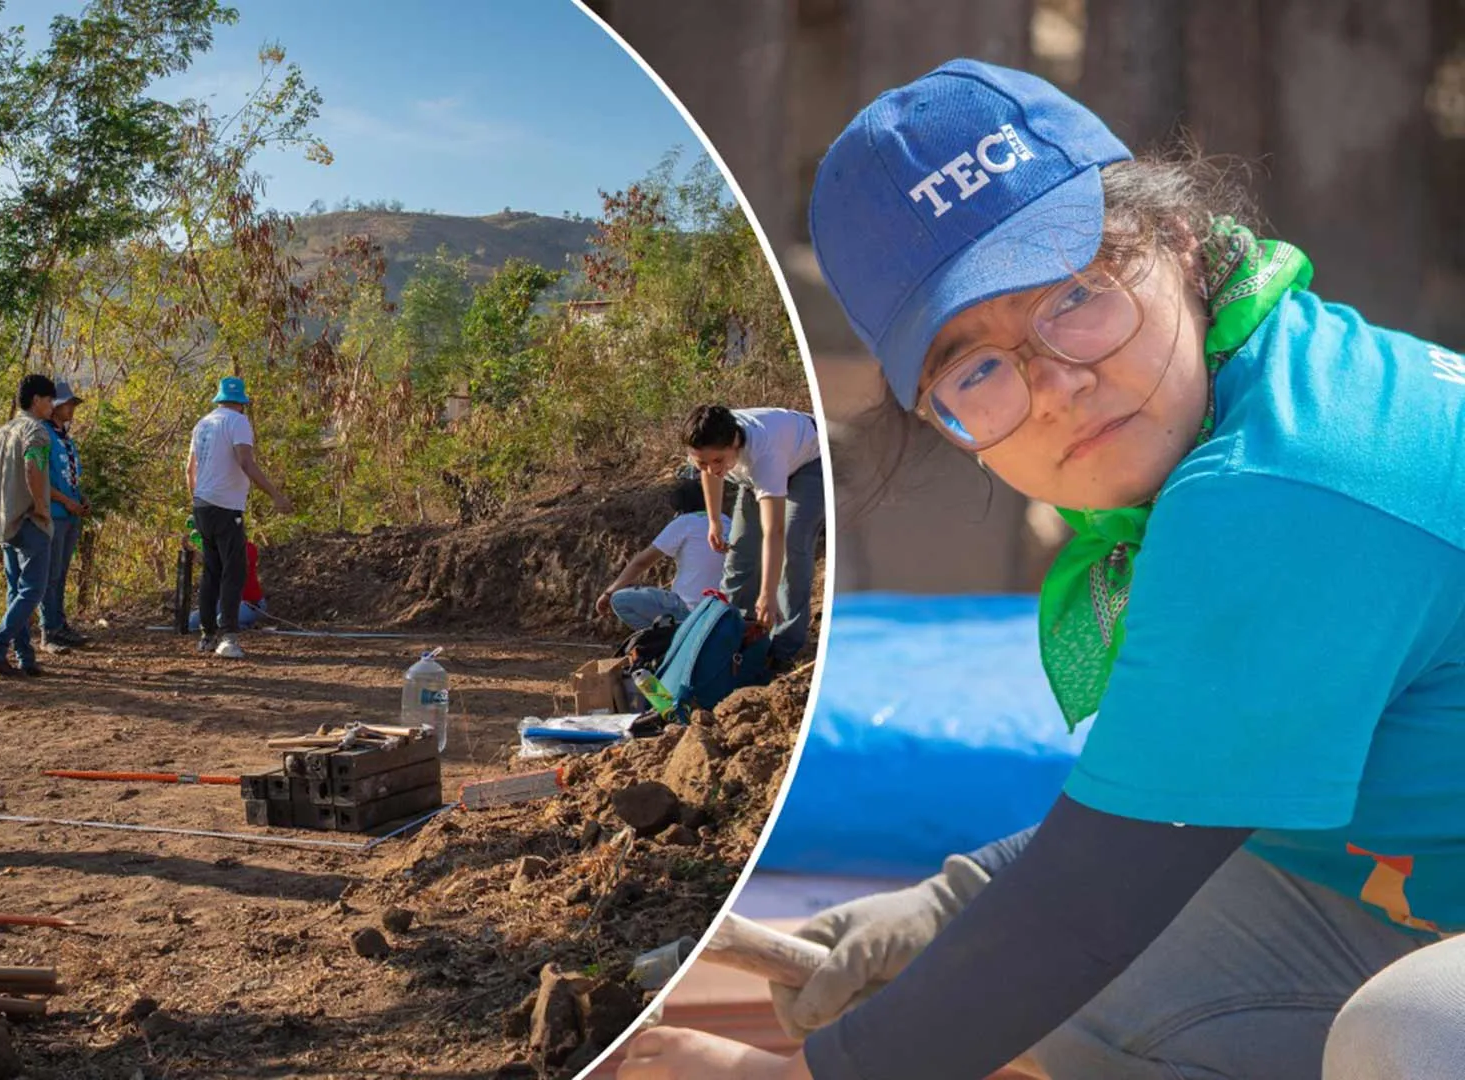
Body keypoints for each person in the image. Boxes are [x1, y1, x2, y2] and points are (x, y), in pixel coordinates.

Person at [620, 59, 1465, 1080]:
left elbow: (1094, 901)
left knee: (1413, 1036)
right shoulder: (1267, 377)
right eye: (976, 369)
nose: (1059, 384)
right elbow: (1168, 812)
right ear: (940, 425)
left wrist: (800, 1075)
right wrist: (950, 909)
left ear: (1180, 242)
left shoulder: (1286, 488)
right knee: (1053, 1005)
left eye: (1079, 293)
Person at [682, 404, 824, 668]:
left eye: (717, 461)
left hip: (811, 460)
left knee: (793, 547)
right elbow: (709, 471)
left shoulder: (765, 455)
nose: (712, 469)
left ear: (734, 444)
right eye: (702, 462)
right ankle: (731, 636)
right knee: (739, 556)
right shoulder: (713, 441)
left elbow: (775, 531)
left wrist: (767, 594)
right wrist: (714, 521)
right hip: (756, 472)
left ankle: (783, 651)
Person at [185, 376, 291, 660]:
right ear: (241, 403)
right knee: (234, 570)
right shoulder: (237, 422)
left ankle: (207, 636)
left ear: (219, 399)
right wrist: (275, 495)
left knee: (211, 571)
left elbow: (189, 470)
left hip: (202, 504)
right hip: (226, 505)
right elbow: (245, 461)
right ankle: (229, 636)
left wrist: (196, 503)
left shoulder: (202, 424)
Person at [0, 374, 56, 678]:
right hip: (31, 521)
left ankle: (24, 657)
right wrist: (41, 505)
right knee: (32, 590)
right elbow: (33, 465)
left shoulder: (3, 431)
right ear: (36, 400)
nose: (52, 406)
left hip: (4, 522)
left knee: (16, 590)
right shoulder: (36, 432)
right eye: (49, 399)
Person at [595, 477, 732, 630]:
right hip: (722, 614)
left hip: (689, 610)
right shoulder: (728, 522)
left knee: (620, 600)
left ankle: (666, 642)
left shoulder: (685, 522)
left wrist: (609, 593)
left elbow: (642, 562)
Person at [39, 378, 89, 651]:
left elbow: (70, 476)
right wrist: (67, 502)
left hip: (70, 514)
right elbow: (41, 480)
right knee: (51, 573)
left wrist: (80, 498)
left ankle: (60, 623)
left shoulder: (65, 438)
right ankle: (49, 631)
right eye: (66, 404)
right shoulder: (42, 435)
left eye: (72, 404)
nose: (71, 408)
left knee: (62, 571)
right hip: (54, 514)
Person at [186, 538, 268, 633]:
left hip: (249, 604)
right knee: (192, 622)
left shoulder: (248, 548)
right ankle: (236, 625)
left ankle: (244, 626)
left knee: (223, 620)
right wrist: (191, 551)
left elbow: (233, 565)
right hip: (224, 603)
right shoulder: (219, 549)